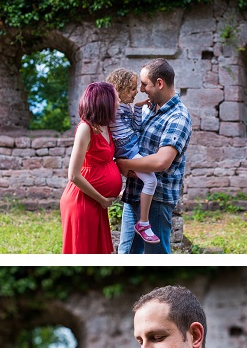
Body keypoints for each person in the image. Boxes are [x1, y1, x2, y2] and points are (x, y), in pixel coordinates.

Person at [115, 59, 192, 254]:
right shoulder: (149, 109)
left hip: (157, 200)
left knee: (155, 256)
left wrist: (124, 164)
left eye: (144, 84)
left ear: (159, 83)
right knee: (126, 255)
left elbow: (161, 161)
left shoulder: (178, 117)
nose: (141, 89)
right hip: (134, 194)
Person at [61, 81, 123, 254]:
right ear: (105, 102)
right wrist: (102, 199)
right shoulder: (85, 129)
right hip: (82, 201)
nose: (119, 103)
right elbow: (73, 175)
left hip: (96, 201)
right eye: (116, 100)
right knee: (85, 251)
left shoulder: (105, 125)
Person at [105, 68, 159, 245]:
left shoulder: (126, 107)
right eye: (132, 88)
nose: (136, 92)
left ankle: (126, 192)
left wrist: (137, 108)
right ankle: (143, 223)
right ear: (119, 88)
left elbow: (137, 127)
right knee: (151, 181)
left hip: (133, 147)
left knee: (148, 175)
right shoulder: (112, 107)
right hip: (127, 150)